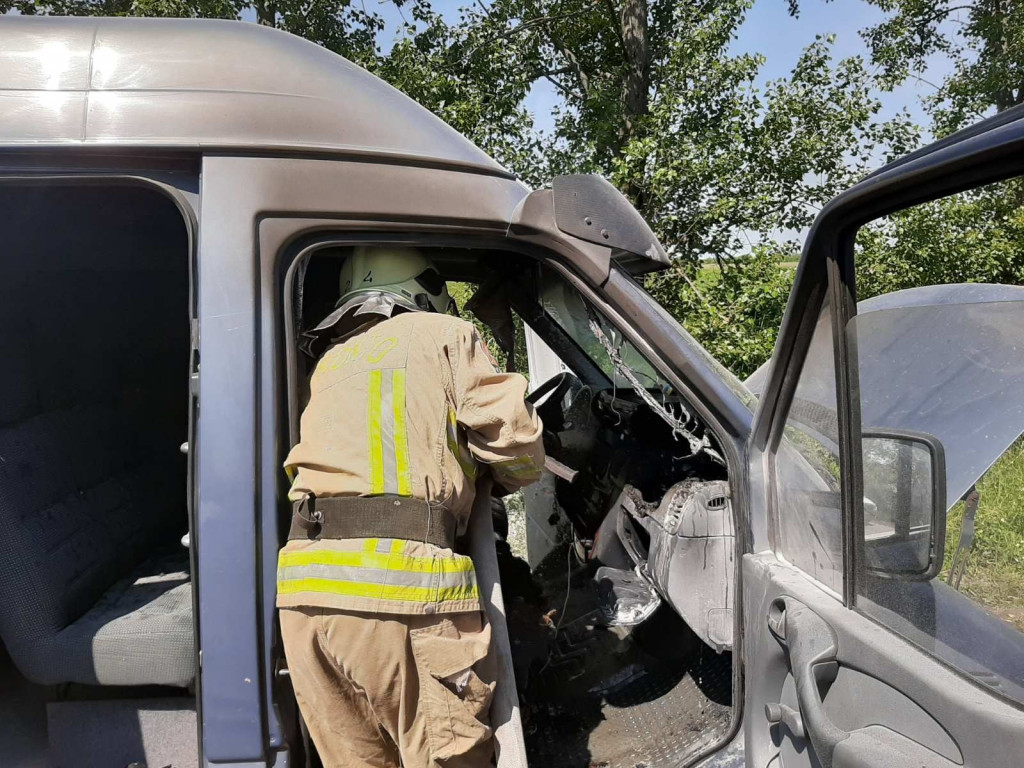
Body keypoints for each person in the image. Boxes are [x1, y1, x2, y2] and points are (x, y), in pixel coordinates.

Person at [277, 245, 545, 768]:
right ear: (424, 288)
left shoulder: (329, 361)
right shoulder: (442, 333)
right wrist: (506, 477)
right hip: (398, 594)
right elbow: (516, 442)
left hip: (306, 599)